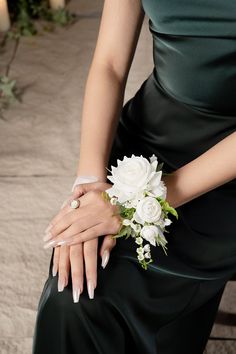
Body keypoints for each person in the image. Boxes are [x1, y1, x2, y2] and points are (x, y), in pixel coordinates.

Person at [32, 0, 236, 353]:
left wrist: (144, 200)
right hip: (153, 139)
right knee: (75, 298)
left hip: (224, 173)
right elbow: (109, 63)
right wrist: (89, 185)